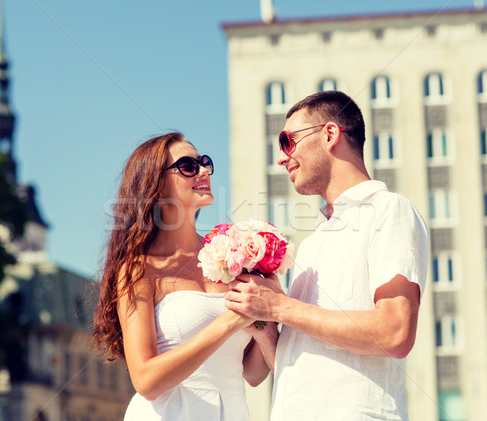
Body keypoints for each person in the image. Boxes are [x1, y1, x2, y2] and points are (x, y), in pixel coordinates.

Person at [225, 91, 429, 420]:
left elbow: (395, 332)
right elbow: (302, 368)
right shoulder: (312, 243)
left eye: (287, 140)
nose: (281, 157)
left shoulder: (389, 210)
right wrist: (267, 328)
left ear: (330, 134)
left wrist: (279, 306)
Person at [92, 132, 278, 421]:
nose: (204, 171)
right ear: (156, 184)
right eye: (188, 166)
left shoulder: (235, 257)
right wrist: (230, 322)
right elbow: (145, 381)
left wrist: (272, 310)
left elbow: (253, 373)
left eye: (204, 162)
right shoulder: (139, 268)